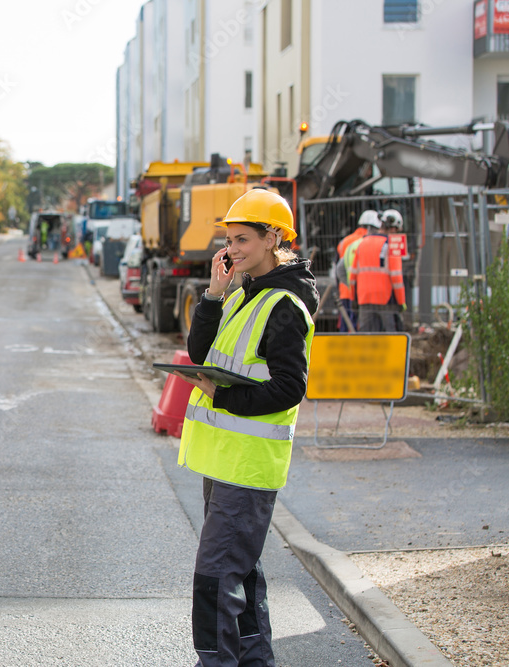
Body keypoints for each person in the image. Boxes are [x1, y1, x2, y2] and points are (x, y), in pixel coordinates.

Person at [180, 188, 318, 667]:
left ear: (273, 237)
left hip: (247, 463)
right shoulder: (244, 293)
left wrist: (224, 395)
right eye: (229, 240)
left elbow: (288, 388)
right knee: (240, 572)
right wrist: (215, 294)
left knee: (216, 576)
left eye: (242, 240)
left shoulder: (283, 304)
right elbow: (201, 355)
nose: (232, 250)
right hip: (225, 459)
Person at [350, 208, 406, 332]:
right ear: (393, 228)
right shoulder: (392, 244)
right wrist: (401, 301)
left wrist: (353, 298)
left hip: (364, 297)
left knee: (366, 337)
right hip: (386, 299)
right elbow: (396, 277)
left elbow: (353, 275)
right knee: (392, 335)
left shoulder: (362, 243)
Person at [334, 210, 380, 331]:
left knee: (346, 324)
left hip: (345, 290)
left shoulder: (345, 241)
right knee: (361, 328)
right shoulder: (371, 242)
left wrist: (346, 284)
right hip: (364, 293)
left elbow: (338, 268)